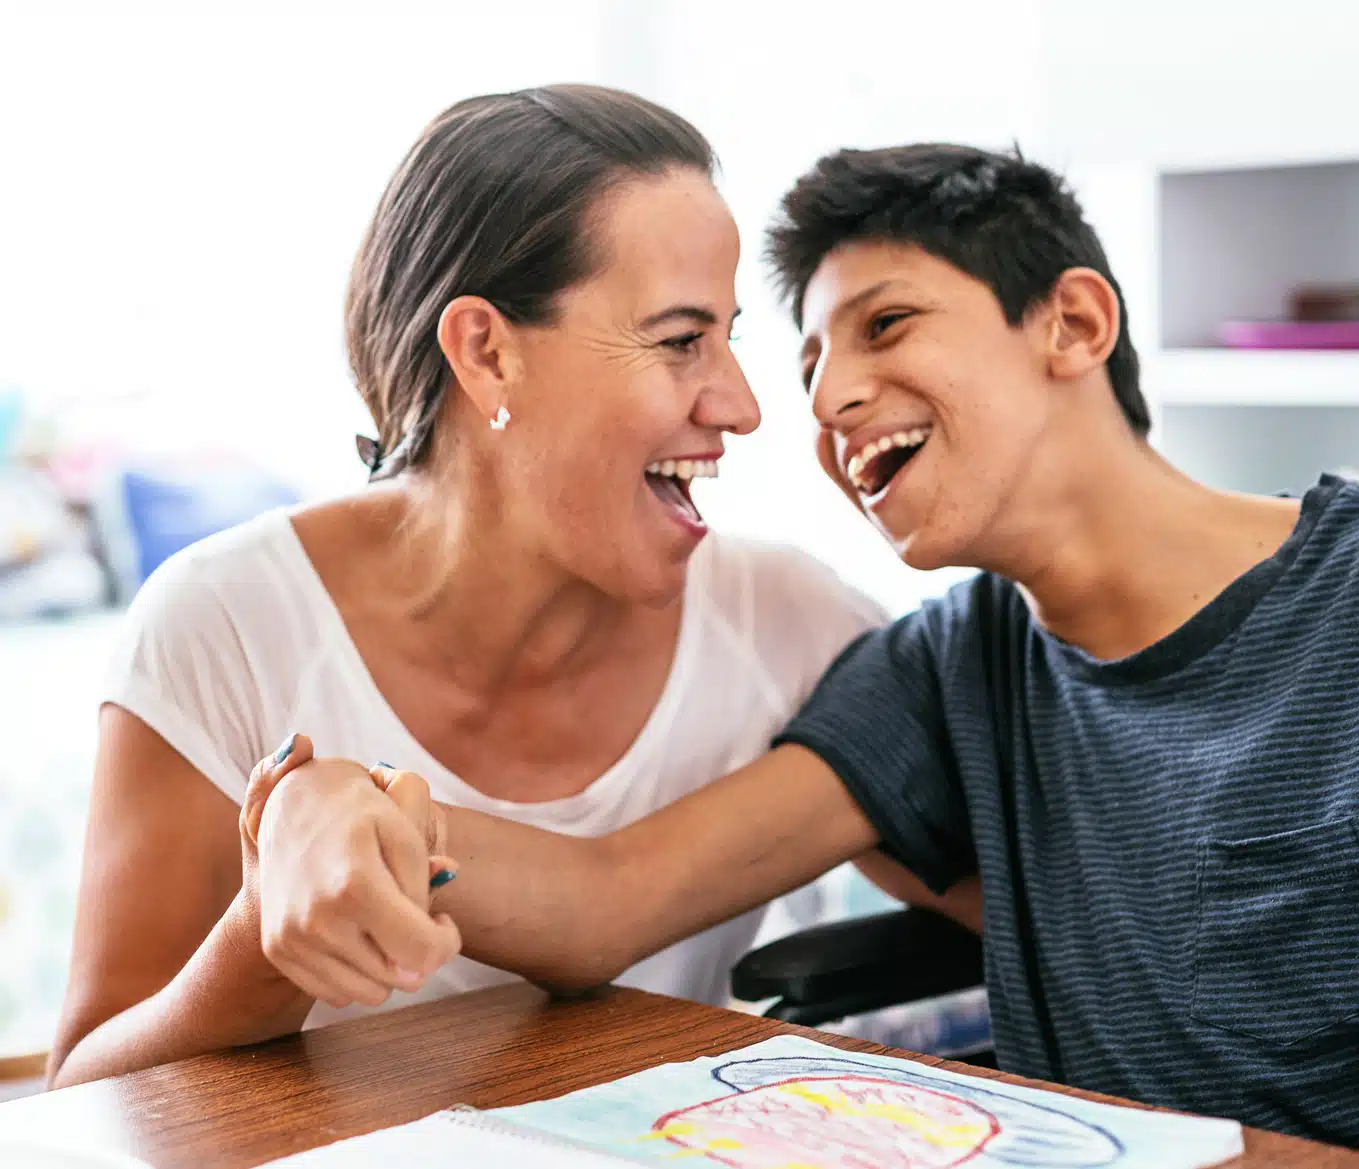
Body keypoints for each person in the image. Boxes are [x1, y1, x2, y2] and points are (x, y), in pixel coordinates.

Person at [255, 141, 1359, 1168]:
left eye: (886, 324)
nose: (821, 399)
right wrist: (338, 806)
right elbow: (607, 900)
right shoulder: (949, 666)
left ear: (1074, 322)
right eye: (809, 361)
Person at [46, 86, 956, 1090]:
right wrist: (269, 932)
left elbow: (1017, 894)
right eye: (677, 340)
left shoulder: (790, 622)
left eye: (728, 337)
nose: (741, 407)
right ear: (486, 352)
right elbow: (87, 1098)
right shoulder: (225, 624)